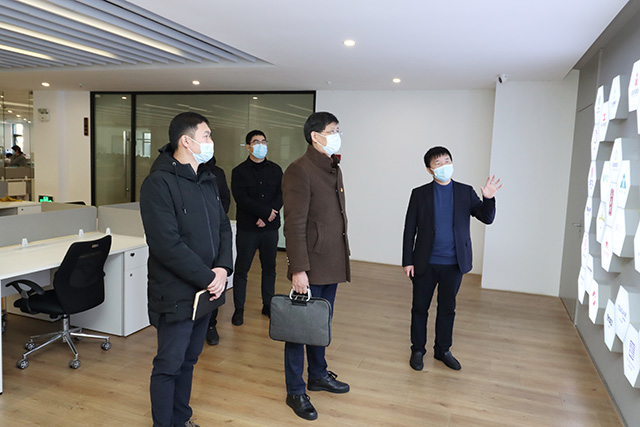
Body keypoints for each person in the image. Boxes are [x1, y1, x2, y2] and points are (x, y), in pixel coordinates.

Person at [139, 112, 233, 427]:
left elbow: (223, 227)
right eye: (206, 135)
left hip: (205, 292)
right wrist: (209, 277)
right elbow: (166, 245)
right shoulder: (158, 183)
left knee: (189, 360)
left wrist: (223, 268)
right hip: (175, 293)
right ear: (186, 141)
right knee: (169, 365)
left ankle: (181, 419)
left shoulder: (206, 178)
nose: (211, 141)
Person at [402, 146, 501, 372]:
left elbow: (486, 218)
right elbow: (409, 229)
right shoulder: (419, 194)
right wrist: (408, 260)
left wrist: (488, 199)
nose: (444, 166)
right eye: (438, 163)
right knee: (420, 308)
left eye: (447, 161)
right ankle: (418, 350)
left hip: (454, 263)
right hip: (425, 262)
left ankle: (442, 350)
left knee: (447, 308)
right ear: (429, 170)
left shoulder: (465, 192)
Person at [281, 112, 350, 421]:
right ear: (315, 136)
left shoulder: (332, 166)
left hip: (330, 261)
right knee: (299, 329)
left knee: (320, 323)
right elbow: (294, 225)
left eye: (338, 130)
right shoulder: (299, 170)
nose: (337, 135)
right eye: (332, 131)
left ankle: (318, 374)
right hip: (309, 266)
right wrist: (298, 270)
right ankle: (295, 390)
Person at [227, 130, 283, 327]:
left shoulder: (276, 170)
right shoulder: (239, 171)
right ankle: (239, 309)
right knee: (242, 269)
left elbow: (281, 195)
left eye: (263, 141)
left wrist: (268, 216)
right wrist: (264, 213)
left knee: (270, 268)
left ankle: (268, 304)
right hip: (248, 229)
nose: (261, 145)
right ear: (248, 147)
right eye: (256, 142)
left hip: (270, 229)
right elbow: (241, 199)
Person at [203, 154, 231, 346]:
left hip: (214, 234)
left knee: (214, 283)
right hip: (195, 238)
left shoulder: (217, 173)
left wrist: (217, 220)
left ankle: (211, 325)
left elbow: (225, 199)